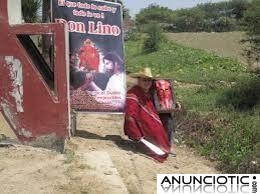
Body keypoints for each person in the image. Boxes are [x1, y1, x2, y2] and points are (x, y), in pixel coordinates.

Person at [124, 67, 172, 162]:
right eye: (144, 80)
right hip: (139, 130)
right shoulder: (132, 94)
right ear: (139, 80)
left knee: (166, 123)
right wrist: (136, 134)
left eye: (149, 80)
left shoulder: (147, 93)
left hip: (147, 125)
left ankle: (162, 145)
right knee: (159, 147)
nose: (147, 83)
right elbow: (130, 116)